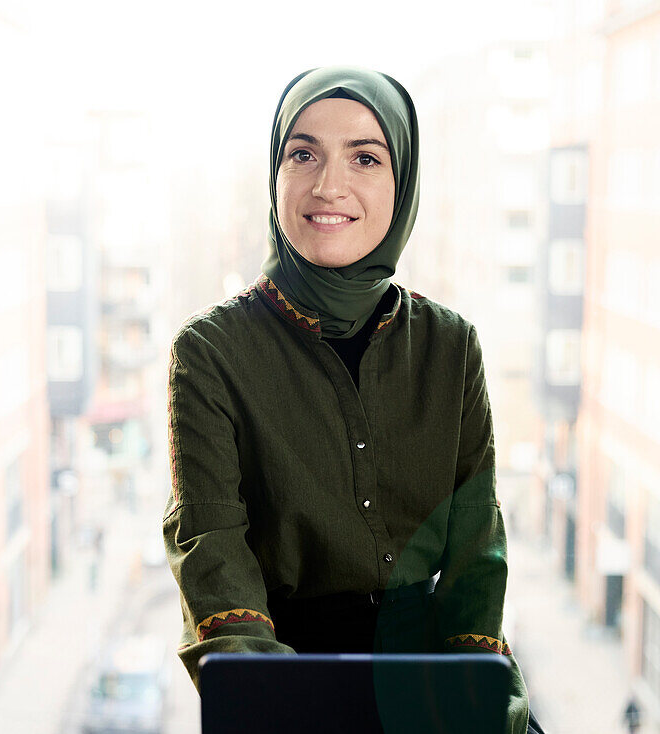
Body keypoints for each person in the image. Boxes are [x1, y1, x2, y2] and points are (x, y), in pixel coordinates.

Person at [163, 66, 541, 733]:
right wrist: (278, 697)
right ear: (274, 175)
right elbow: (212, 548)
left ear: (404, 184)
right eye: (302, 153)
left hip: (432, 685)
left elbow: (476, 548)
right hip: (288, 680)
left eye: (365, 157)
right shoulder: (210, 353)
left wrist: (468, 692)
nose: (327, 185)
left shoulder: (451, 347)